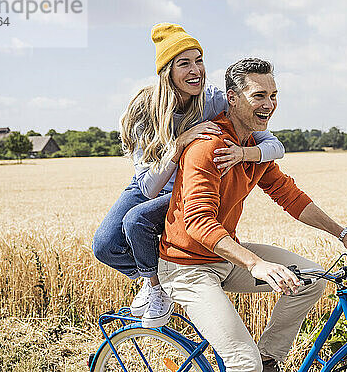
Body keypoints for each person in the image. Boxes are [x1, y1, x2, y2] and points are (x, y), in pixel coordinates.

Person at [157, 57, 347, 372]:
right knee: (244, 363)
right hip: (187, 267)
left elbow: (291, 197)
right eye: (259, 96)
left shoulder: (253, 148)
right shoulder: (208, 148)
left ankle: (269, 358)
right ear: (232, 98)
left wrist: (342, 233)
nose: (269, 104)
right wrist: (256, 264)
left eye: (273, 95)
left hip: (224, 258)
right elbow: (198, 223)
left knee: (312, 279)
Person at [91, 24, 285, 328]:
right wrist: (180, 143)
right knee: (104, 244)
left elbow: (275, 146)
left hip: (187, 182)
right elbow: (149, 187)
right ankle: (154, 281)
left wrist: (243, 154)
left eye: (199, 60)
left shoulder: (214, 100)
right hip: (153, 179)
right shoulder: (145, 110)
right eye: (184, 63)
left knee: (136, 221)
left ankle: (158, 284)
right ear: (167, 71)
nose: (196, 70)